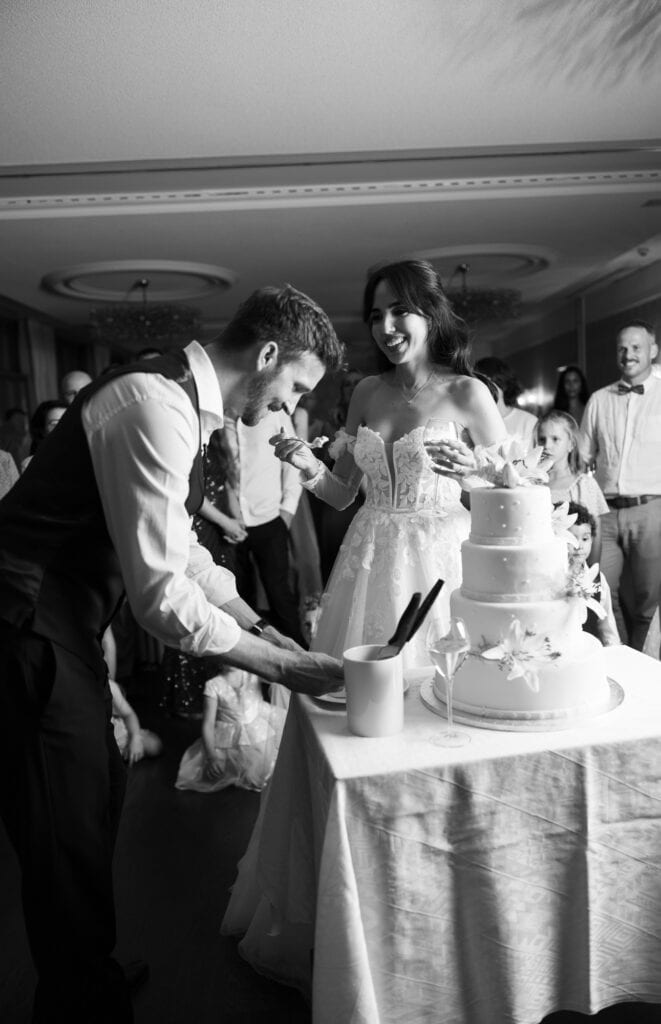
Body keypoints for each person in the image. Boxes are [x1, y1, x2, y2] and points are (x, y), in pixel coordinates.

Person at [0, 283, 345, 1023]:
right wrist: (280, 666)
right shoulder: (152, 405)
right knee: (63, 821)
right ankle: (75, 1005)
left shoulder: (182, 402)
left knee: (94, 802)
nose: (286, 410)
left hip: (64, 620)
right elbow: (159, 597)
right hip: (21, 618)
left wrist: (255, 619)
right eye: (293, 390)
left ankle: (83, 972)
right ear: (267, 354)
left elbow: (181, 544)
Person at [271, 259, 507, 673]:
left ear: (430, 313)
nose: (387, 327)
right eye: (377, 316)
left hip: (442, 553)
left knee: (446, 679)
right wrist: (308, 465)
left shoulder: (467, 392)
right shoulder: (365, 392)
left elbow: (518, 486)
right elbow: (342, 493)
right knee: (368, 680)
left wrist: (475, 470)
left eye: (400, 311)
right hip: (370, 554)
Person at [579, 319, 661, 651]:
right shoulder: (599, 400)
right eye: (622, 348)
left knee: (646, 603)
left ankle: (644, 670)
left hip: (651, 510)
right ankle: (614, 661)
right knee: (597, 597)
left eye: (636, 347)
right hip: (605, 513)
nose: (628, 354)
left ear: (653, 351)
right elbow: (582, 458)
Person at [161, 427, 248, 718]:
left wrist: (237, 520)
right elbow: (191, 495)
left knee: (224, 603)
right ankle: (192, 694)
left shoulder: (219, 436)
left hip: (224, 526)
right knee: (197, 603)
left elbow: (227, 484)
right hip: (200, 526)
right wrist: (225, 522)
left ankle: (222, 693)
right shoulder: (184, 434)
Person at [228, 408, 307, 647]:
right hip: (230, 523)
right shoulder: (222, 415)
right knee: (239, 597)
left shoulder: (275, 415)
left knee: (280, 595)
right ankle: (251, 667)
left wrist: (286, 514)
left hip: (270, 518)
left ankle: (300, 656)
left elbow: (293, 465)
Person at [175, 666, 285, 793]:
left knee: (267, 768)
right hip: (229, 737)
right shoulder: (214, 685)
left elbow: (273, 673)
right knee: (219, 771)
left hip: (258, 729)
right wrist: (212, 757)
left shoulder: (251, 674)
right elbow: (208, 724)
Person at [535, 409, 608, 564]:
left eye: (555, 439)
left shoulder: (584, 485)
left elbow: (595, 536)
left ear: (571, 444)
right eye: (542, 439)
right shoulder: (532, 485)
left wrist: (593, 577)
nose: (547, 446)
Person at [566, 502, 620, 647]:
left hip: (590, 657)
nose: (579, 546)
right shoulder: (549, 579)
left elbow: (608, 628)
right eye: (571, 540)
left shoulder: (598, 579)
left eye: (585, 538)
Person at [475, 355, 538, 447]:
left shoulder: (528, 421)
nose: (482, 388)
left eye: (486, 382)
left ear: (501, 382)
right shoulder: (475, 421)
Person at [109, 680, 163, 764]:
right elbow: (127, 715)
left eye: (144, 750)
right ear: (144, 731)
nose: (138, 747)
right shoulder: (129, 727)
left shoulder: (124, 751)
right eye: (142, 740)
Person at [20, 398, 68, 472]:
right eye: (55, 424)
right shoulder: (32, 464)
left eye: (67, 422)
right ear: (42, 431)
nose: (63, 427)